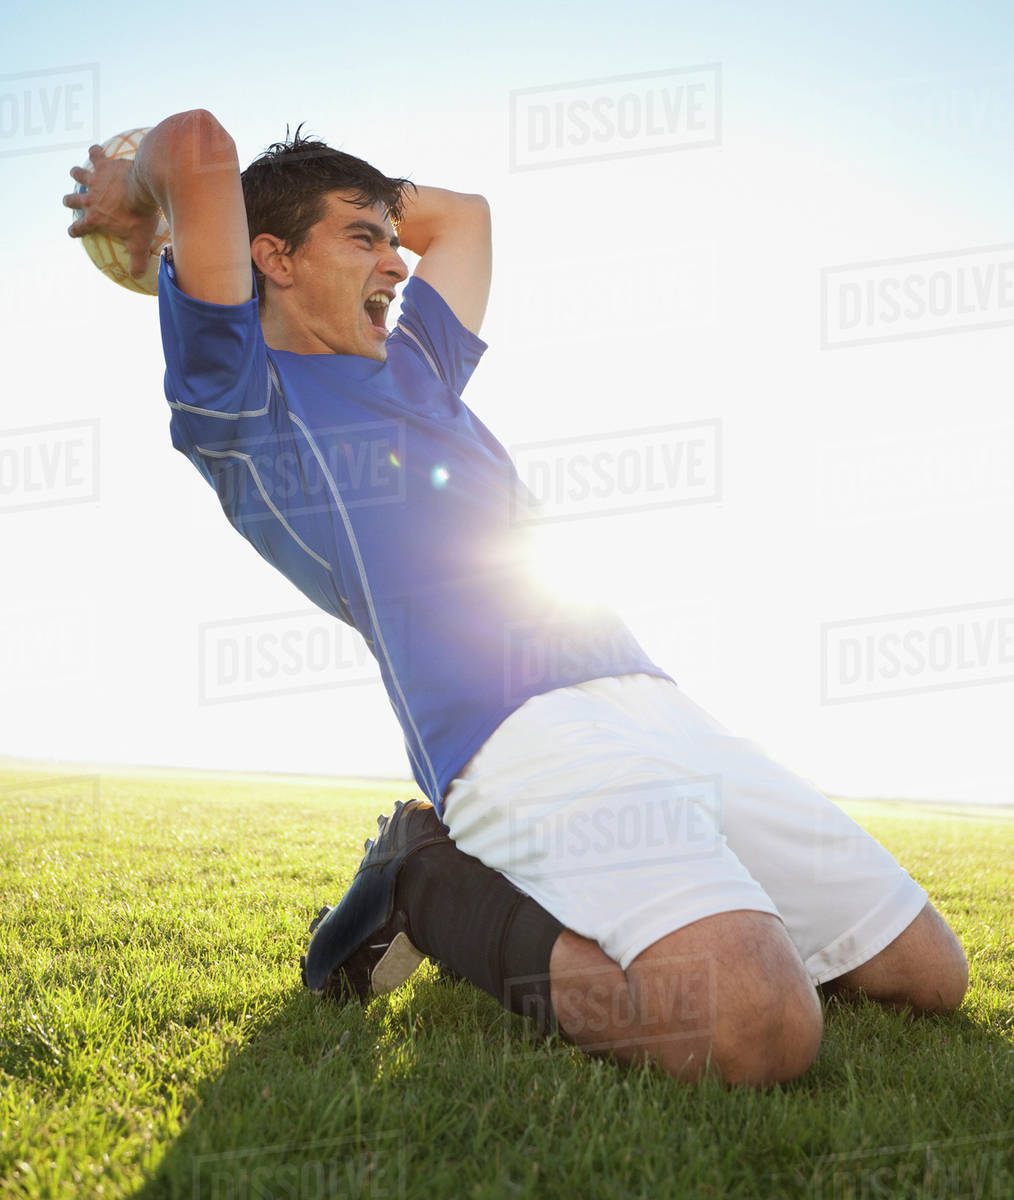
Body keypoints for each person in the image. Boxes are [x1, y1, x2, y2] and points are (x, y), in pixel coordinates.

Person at [65, 109, 970, 1089]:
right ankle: (430, 881)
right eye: (362, 238)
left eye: (388, 236)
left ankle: (643, 902)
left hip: (647, 695)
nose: (396, 260)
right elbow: (199, 148)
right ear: (273, 259)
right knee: (759, 1033)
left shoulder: (417, 364)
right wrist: (148, 205)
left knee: (927, 974)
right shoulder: (241, 399)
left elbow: (464, 217)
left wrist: (358, 197)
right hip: (506, 733)